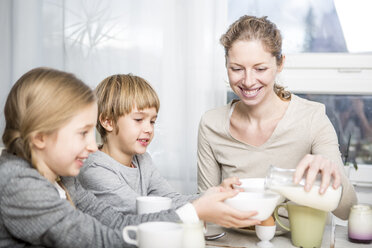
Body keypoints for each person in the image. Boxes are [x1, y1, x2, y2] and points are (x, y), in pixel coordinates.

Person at [0, 68, 258, 247]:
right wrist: (193, 212)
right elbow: (99, 241)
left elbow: (116, 222)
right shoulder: (18, 183)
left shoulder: (64, 180)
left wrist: (207, 201)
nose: (92, 146)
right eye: (81, 133)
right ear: (40, 137)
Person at [197, 15, 357, 220]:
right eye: (236, 69)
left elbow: (348, 211)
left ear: (280, 63)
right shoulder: (212, 124)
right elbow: (204, 213)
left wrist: (332, 174)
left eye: (260, 68)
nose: (248, 81)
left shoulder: (311, 118)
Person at [77, 74, 256, 225]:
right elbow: (139, 210)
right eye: (139, 120)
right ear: (107, 121)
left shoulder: (143, 160)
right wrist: (199, 208)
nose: (148, 128)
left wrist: (214, 194)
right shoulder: (95, 169)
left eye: (152, 121)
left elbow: (170, 199)